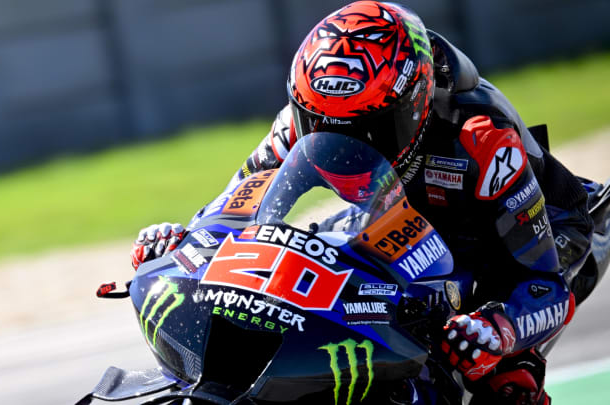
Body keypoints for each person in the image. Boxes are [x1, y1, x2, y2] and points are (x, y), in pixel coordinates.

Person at [130, 2, 594, 404]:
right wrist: (187, 242)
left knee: (497, 374)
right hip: (395, 214)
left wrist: (501, 328)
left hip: (521, 230)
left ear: (415, 105)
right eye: (321, 126)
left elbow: (544, 283)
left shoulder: (481, 139)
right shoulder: (297, 123)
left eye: (366, 131)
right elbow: (239, 210)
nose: (342, 148)